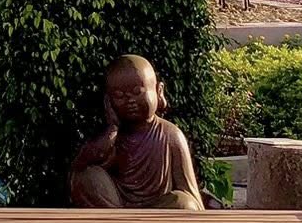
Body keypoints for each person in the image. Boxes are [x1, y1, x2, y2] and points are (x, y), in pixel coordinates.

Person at [69, 54, 204, 210]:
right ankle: (120, 217)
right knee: (87, 175)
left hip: (158, 208)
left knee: (183, 202)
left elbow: (190, 193)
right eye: (119, 96)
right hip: (116, 205)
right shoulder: (111, 137)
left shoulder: (171, 135)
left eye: (137, 92)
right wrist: (112, 130)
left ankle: (128, 218)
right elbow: (79, 168)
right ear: (108, 100)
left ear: (159, 91)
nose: (130, 100)